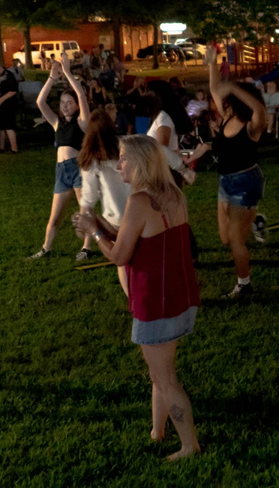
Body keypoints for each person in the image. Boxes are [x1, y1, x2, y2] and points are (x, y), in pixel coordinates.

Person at [73, 136, 201, 460]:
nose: (118, 166)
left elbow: (118, 255)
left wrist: (95, 231)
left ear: (141, 163)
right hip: (179, 296)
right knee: (160, 370)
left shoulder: (139, 201)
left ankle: (189, 446)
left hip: (155, 303)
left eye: (123, 159)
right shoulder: (172, 193)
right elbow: (139, 236)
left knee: (164, 377)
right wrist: (100, 222)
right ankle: (157, 431)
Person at [183, 45, 266, 299]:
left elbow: (259, 109)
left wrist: (234, 86)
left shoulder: (254, 125)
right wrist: (211, 64)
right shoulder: (228, 116)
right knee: (224, 238)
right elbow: (215, 90)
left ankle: (244, 285)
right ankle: (255, 218)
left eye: (230, 97)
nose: (223, 101)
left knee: (236, 241)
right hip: (225, 181)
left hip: (245, 182)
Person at [29, 55, 94, 260]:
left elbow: (82, 96)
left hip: (78, 170)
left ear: (75, 106)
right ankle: (46, 248)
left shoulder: (83, 122)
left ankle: (86, 248)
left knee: (85, 212)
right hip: (61, 172)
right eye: (63, 103)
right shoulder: (57, 123)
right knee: (54, 216)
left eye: (69, 103)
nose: (65, 106)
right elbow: (40, 102)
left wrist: (67, 73)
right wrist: (51, 78)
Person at [74, 109, 130, 294]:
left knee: (122, 261)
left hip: (116, 219)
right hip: (137, 211)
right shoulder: (125, 146)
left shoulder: (92, 160)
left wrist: (84, 220)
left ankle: (134, 300)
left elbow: (88, 198)